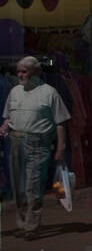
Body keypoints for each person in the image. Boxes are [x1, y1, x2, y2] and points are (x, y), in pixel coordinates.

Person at [0, 56, 70, 240]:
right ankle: (23, 223)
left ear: (36, 72)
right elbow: (8, 117)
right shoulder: (14, 91)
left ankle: (32, 225)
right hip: (16, 143)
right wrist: (5, 126)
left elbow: (60, 122)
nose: (20, 75)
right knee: (19, 186)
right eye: (18, 72)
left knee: (34, 185)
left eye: (24, 72)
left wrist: (60, 147)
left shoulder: (49, 92)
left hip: (37, 144)